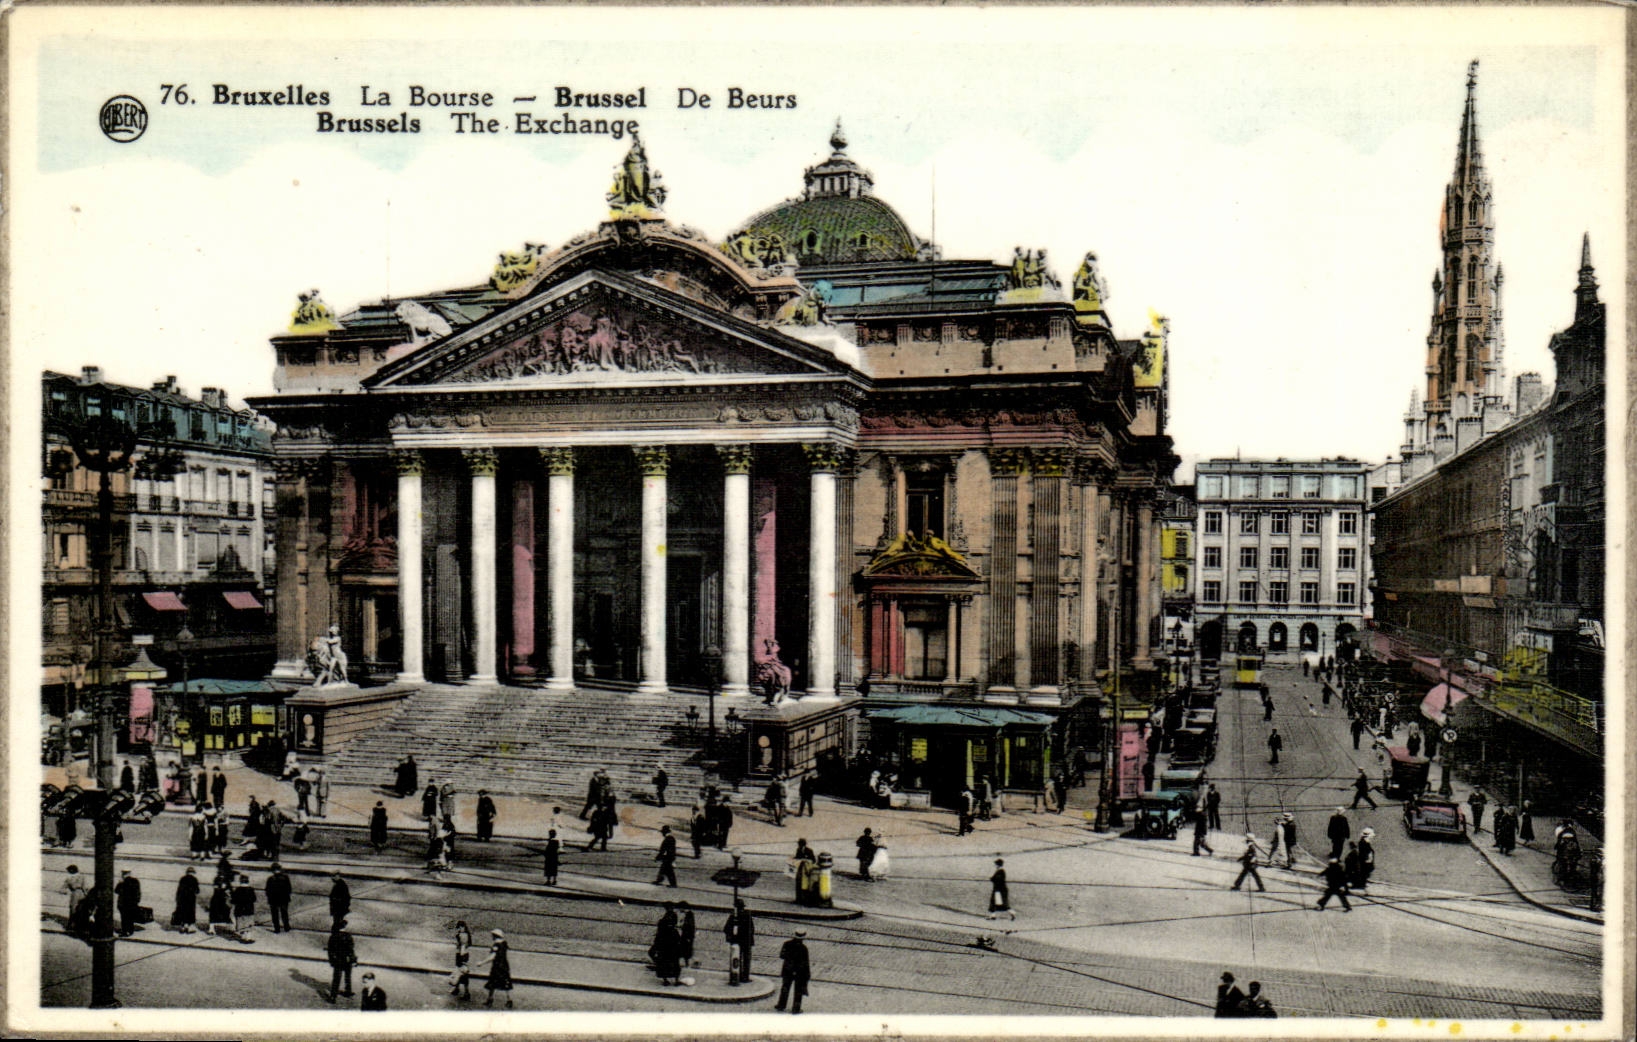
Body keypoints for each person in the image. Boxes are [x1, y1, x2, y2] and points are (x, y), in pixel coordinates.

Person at [775, 928, 811, 1014]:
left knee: (785, 988)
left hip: (787, 970)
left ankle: (781, 1005)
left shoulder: (787, 944)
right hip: (799, 972)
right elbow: (806, 963)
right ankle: (796, 1008)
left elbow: (782, 955)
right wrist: (807, 974)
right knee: (798, 990)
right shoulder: (803, 948)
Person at [650, 903, 683, 986]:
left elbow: (660, 931)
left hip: (665, 944)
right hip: (672, 944)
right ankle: (676, 980)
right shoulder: (673, 928)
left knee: (664, 962)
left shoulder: (664, 922)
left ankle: (666, 980)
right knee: (674, 963)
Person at [479, 929, 513, 1007]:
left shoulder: (496, 945)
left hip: (497, 966)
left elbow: (492, 956)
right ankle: (509, 1000)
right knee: (505, 982)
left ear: (495, 936)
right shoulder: (504, 943)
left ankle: (490, 1000)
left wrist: (482, 962)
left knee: (492, 982)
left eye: (493, 935)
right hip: (505, 966)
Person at [724, 898, 755, 983]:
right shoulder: (747, 915)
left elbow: (726, 928)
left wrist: (732, 936)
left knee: (736, 959)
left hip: (737, 942)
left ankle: (736, 975)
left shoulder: (733, 916)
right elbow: (752, 929)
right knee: (746, 960)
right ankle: (745, 977)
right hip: (746, 942)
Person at [327, 918, 358, 1002]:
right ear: (345, 927)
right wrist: (354, 960)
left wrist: (331, 961)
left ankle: (333, 996)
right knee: (348, 976)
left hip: (338, 959)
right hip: (347, 959)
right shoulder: (348, 936)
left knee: (336, 978)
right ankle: (348, 991)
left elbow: (330, 950)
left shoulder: (333, 936)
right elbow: (351, 949)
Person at [170, 866, 199, 933]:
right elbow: (197, 890)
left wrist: (177, 898)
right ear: (193, 873)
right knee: (190, 913)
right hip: (191, 899)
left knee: (182, 912)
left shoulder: (182, 879)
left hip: (182, 899)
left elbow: (179, 889)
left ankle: (182, 927)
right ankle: (188, 927)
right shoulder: (194, 879)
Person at [62, 865, 91, 930]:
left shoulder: (81, 877)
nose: (68, 872)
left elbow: (85, 886)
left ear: (72, 870)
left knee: (80, 909)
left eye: (69, 871)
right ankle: (73, 925)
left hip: (80, 894)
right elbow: (63, 887)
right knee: (74, 909)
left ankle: (80, 925)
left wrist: (86, 894)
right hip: (75, 894)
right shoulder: (69, 878)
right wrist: (64, 891)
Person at [266, 863, 292, 933]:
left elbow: (267, 890)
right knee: (284, 913)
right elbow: (289, 888)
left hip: (273, 899)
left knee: (275, 914)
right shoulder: (285, 877)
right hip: (284, 898)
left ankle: (277, 928)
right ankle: (286, 927)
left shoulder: (270, 879)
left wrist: (269, 897)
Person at [115, 869, 143, 936]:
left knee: (124, 918)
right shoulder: (135, 881)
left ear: (123, 874)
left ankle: (125, 931)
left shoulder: (122, 882)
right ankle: (130, 930)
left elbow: (116, 891)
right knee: (130, 917)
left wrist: (119, 883)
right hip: (132, 903)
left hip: (123, 903)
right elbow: (138, 892)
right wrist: (137, 901)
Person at [450, 921, 474, 999]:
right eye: (459, 927)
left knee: (462, 973)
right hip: (462, 955)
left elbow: (463, 946)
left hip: (462, 955)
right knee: (460, 973)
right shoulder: (465, 934)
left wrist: (462, 958)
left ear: (463, 927)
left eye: (460, 927)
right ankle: (458, 989)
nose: (460, 929)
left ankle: (466, 993)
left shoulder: (463, 935)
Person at [231, 873, 257, 942]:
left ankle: (243, 937)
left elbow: (233, 900)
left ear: (240, 881)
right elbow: (254, 899)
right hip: (249, 910)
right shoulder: (251, 889)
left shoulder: (237, 890)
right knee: (249, 924)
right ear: (247, 881)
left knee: (241, 924)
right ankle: (248, 937)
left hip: (239, 910)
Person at [678, 900, 697, 968]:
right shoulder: (688, 915)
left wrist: (688, 937)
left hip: (687, 936)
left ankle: (689, 964)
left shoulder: (689, 915)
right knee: (684, 950)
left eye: (680, 908)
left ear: (683, 907)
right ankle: (687, 964)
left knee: (686, 950)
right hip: (686, 936)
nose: (679, 910)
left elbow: (690, 926)